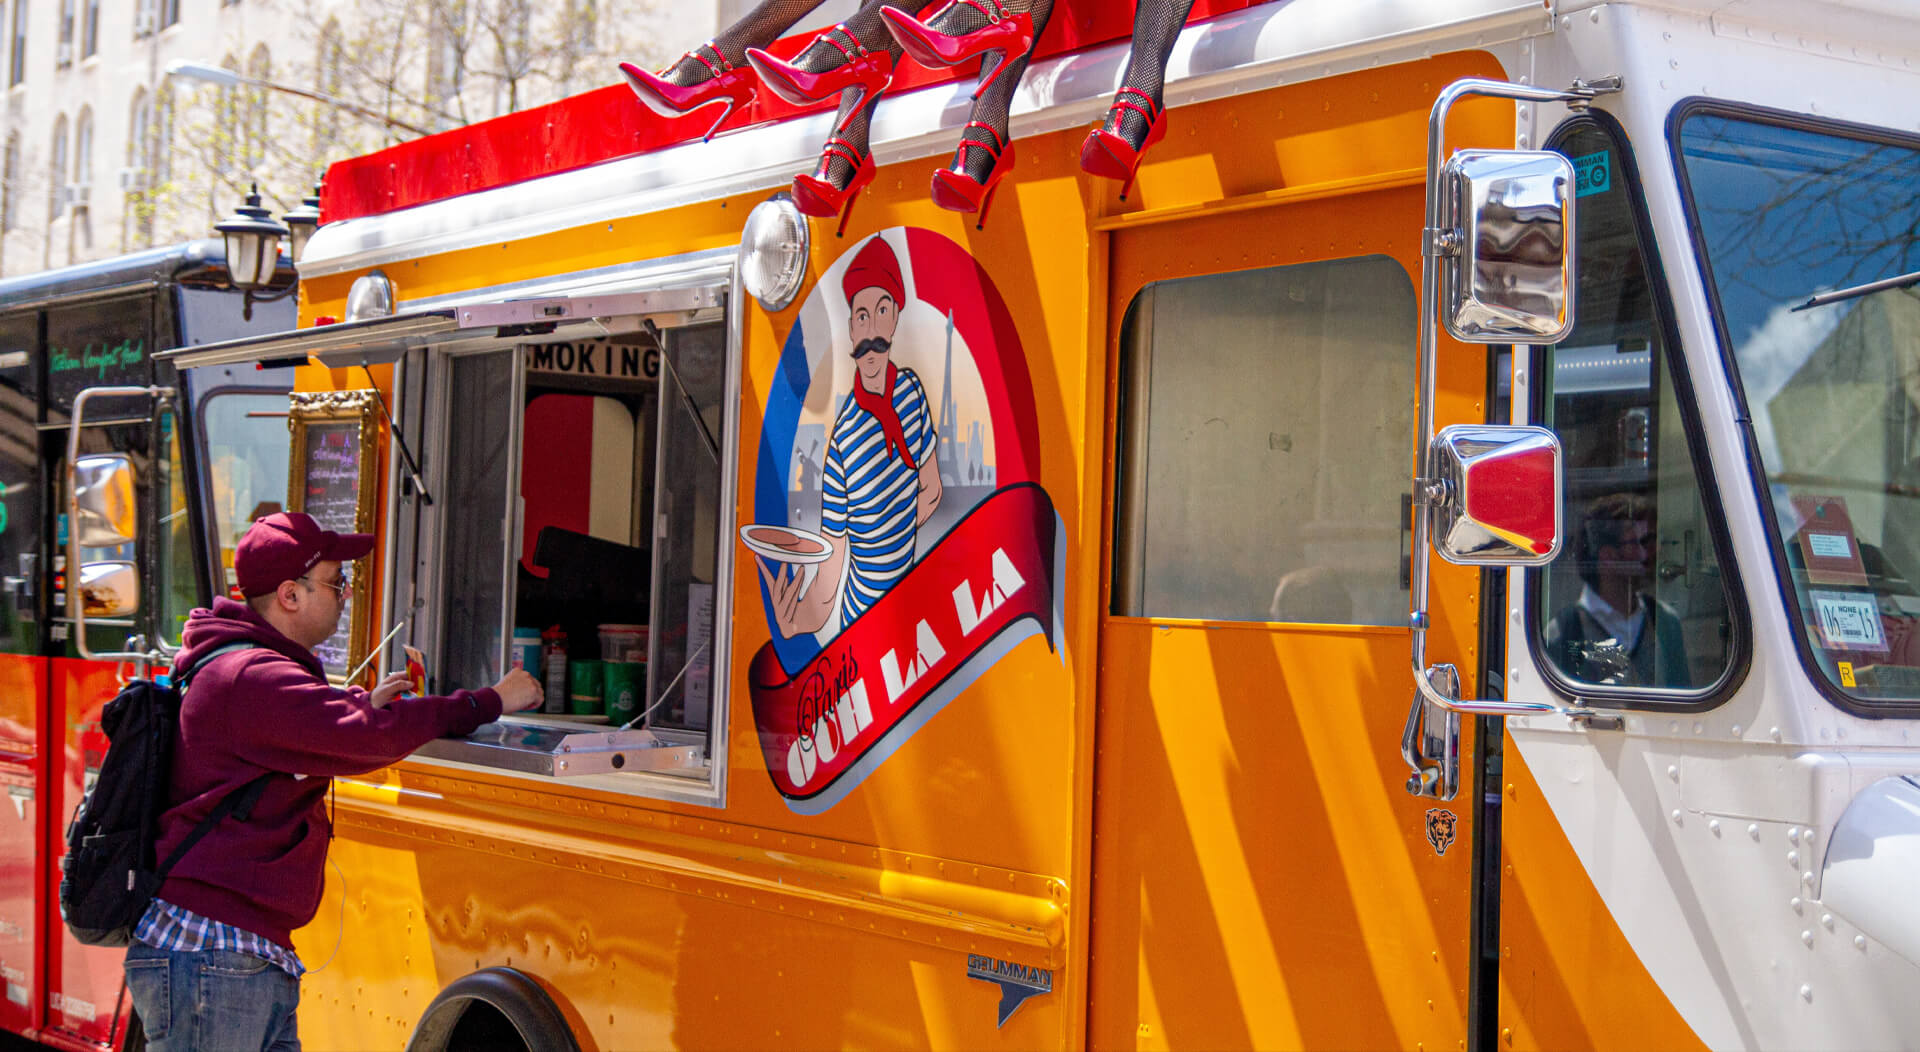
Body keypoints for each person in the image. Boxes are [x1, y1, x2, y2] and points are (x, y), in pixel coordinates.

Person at [122, 512, 542, 1051]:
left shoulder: (249, 669)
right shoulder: (253, 676)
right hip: (215, 954)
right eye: (336, 583)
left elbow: (314, 727)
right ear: (290, 596)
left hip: (235, 954)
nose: (345, 596)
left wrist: (359, 706)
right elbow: (366, 738)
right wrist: (489, 700)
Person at [763, 236, 943, 637]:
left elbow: (931, 489)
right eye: (862, 316)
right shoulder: (843, 441)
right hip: (861, 629)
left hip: (905, 616)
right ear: (850, 327)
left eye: (882, 311)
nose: (872, 330)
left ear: (896, 318)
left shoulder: (912, 392)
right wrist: (795, 624)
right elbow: (829, 578)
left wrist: (891, 541)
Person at [1544, 492, 1689, 687]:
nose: (1654, 551)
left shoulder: (1664, 621)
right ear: (1608, 555)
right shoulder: (1565, 631)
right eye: (1643, 541)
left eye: (1654, 541)